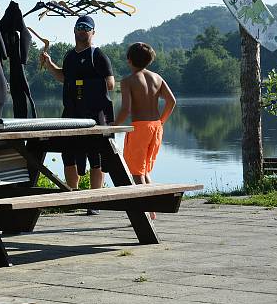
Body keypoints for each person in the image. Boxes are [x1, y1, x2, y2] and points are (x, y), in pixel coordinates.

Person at [41, 16, 115, 204]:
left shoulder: (97, 55)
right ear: (74, 30)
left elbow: (111, 84)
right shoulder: (69, 55)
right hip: (71, 113)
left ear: (93, 32)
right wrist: (49, 64)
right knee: (68, 155)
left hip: (94, 115)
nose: (82, 30)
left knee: (96, 156)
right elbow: (63, 77)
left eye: (86, 28)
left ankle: (94, 201)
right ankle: (72, 197)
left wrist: (84, 86)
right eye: (79, 27)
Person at [114, 42, 177, 219]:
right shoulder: (157, 78)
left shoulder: (128, 81)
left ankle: (143, 213)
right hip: (156, 127)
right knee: (144, 170)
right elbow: (172, 102)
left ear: (129, 60)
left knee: (135, 173)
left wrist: (114, 125)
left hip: (139, 128)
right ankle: (151, 210)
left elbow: (126, 109)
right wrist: (161, 122)